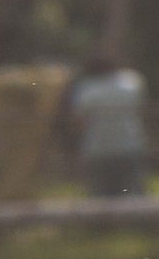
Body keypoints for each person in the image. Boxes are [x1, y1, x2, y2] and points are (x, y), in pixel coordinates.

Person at [63, 53, 148, 197]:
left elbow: (80, 123)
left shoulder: (86, 90)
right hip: (129, 146)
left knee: (99, 197)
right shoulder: (131, 82)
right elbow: (141, 109)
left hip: (97, 150)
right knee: (132, 195)